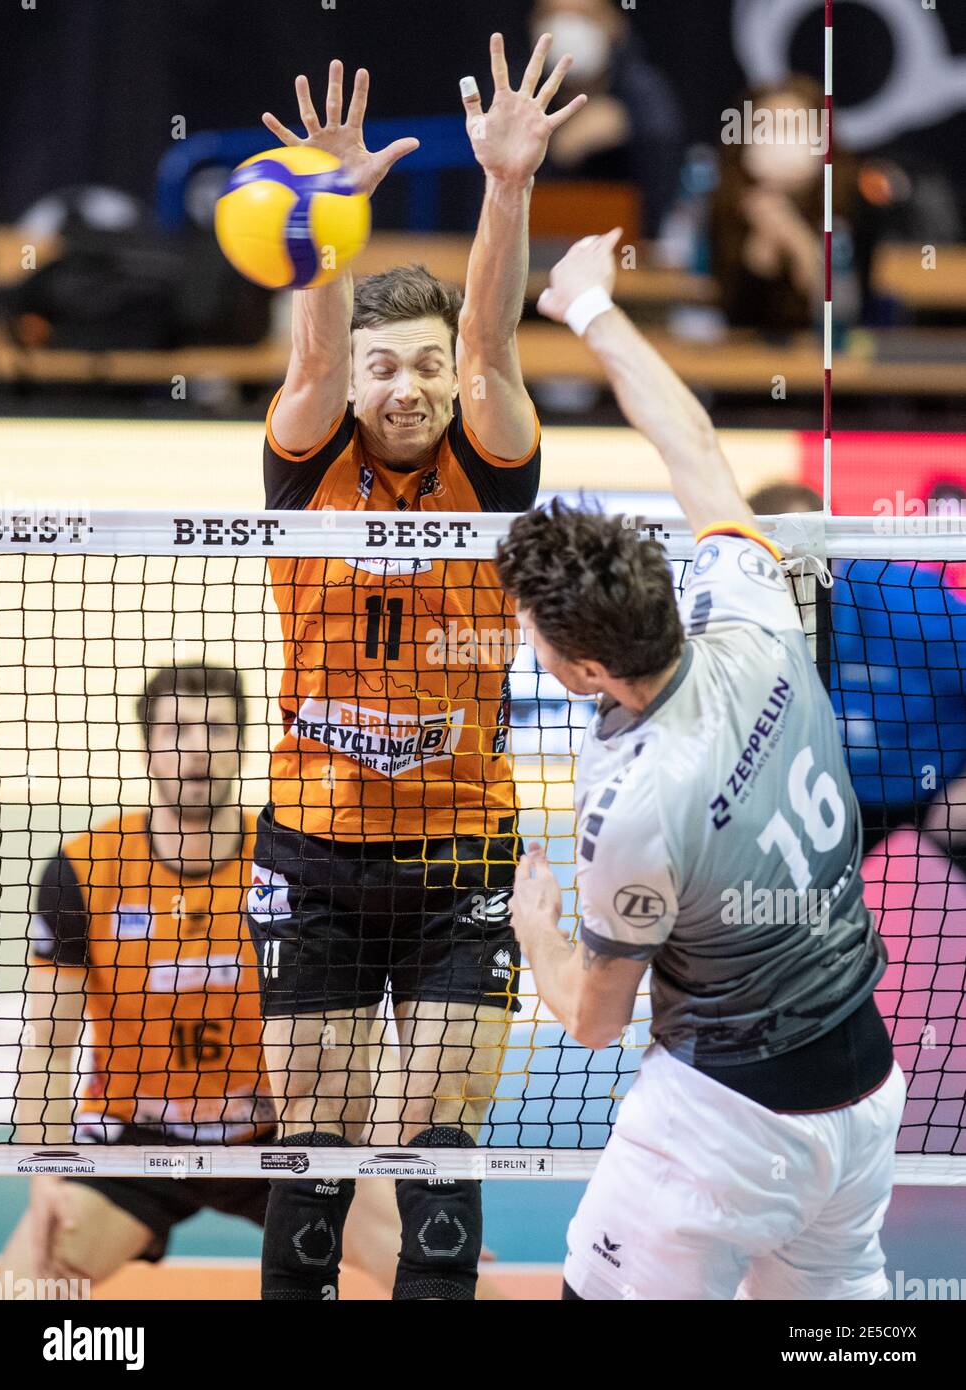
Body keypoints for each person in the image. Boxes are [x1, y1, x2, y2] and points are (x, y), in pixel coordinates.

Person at [500, 229, 905, 1300]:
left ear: (583, 667)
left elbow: (592, 1019)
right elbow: (688, 441)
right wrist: (587, 306)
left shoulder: (632, 799)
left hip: (728, 1122)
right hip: (864, 1089)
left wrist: (536, 926)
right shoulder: (750, 609)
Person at [249, 36, 583, 1302]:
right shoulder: (305, 457)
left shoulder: (488, 453)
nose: (404, 385)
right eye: (382, 366)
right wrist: (330, 213)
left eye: (424, 364)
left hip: (460, 863)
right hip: (316, 857)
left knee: (442, 1155)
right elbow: (312, 362)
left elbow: (497, 348)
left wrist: (506, 184)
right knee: (317, 1159)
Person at [0, 664, 484, 1298]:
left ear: (242, 747)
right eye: (176, 730)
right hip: (134, 1143)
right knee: (23, 1287)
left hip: (279, 1137)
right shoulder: (84, 869)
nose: (197, 748)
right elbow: (47, 1044)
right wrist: (44, 1181)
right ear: (147, 749)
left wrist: (379, 1180)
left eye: (216, 730)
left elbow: (358, 1041)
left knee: (431, 1271)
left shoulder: (295, 863)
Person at [748, 481, 966, 852]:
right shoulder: (742, 622)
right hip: (822, 804)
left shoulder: (916, 606)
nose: (787, 579)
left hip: (929, 802)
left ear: (834, 552)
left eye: (801, 562)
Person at [710, 76, 873, 336]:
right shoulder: (726, 205)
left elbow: (844, 314)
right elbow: (729, 316)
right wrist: (761, 248)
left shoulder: (848, 204)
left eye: (794, 127)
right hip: (744, 362)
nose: (780, 141)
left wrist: (795, 238)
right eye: (765, 128)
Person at [529, 0, 684, 237]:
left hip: (625, 255)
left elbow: (663, 201)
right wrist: (551, 153)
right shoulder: (521, 90)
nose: (568, 28)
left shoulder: (643, 92)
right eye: (554, 15)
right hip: (539, 251)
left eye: (583, 15)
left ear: (614, 24)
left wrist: (630, 131)